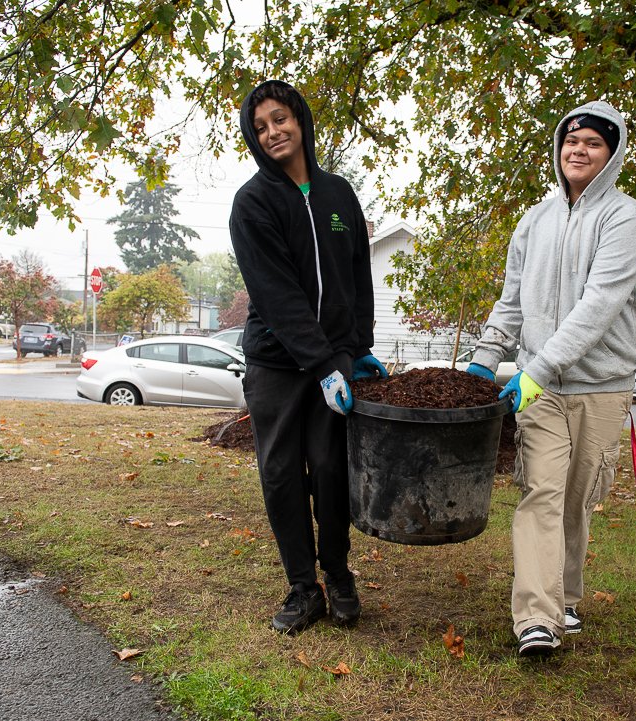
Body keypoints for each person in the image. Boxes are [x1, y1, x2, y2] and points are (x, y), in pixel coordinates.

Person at [467, 101, 636, 656]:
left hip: (602, 386)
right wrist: (486, 356)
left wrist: (539, 368)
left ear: (612, 154)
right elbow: (512, 300)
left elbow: (598, 308)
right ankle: (537, 619)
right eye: (571, 141)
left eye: (593, 143)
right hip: (539, 391)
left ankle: (566, 597)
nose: (579, 150)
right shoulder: (535, 219)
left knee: (576, 500)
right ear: (558, 148)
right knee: (541, 492)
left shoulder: (626, 219)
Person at [229, 79, 386, 635]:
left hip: (335, 362)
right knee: (280, 473)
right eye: (260, 127)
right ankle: (303, 586)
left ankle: (338, 573)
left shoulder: (339, 194)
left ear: (301, 120)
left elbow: (357, 276)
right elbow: (275, 295)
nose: (272, 132)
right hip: (277, 362)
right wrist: (320, 363)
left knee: (329, 466)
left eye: (280, 119)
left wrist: (355, 349)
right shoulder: (252, 203)